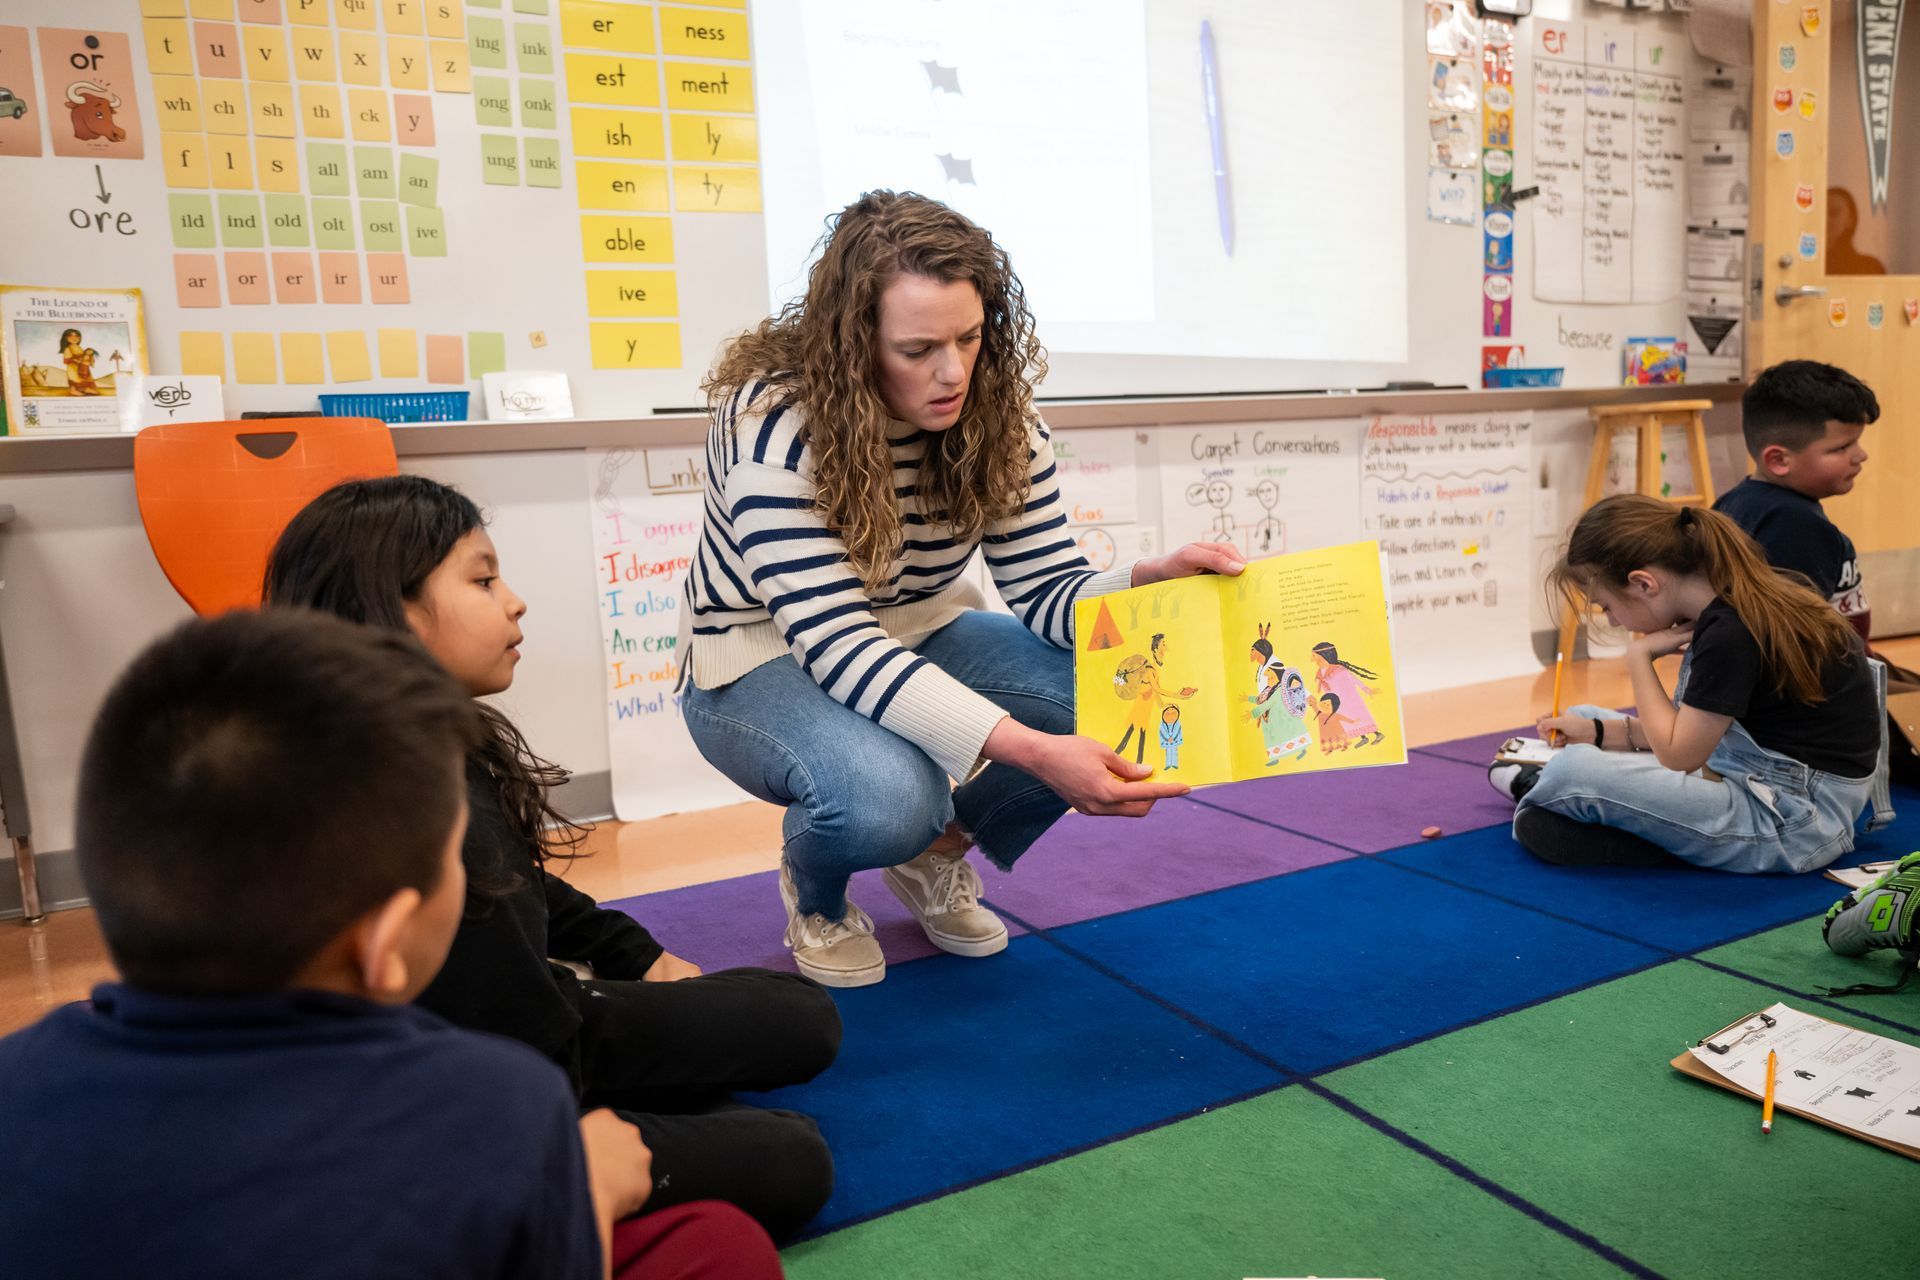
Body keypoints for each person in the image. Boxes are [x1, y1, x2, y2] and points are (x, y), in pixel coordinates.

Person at [0, 610, 782, 1279]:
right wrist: (584, 1195)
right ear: (385, 945)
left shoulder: (18, 1084)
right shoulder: (496, 1108)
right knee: (723, 1246)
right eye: (455, 857)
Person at [678, 190, 1243, 987]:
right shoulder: (773, 429)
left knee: (1110, 691)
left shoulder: (1000, 419)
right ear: (852, 342)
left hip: (921, 626)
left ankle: (936, 852)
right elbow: (841, 647)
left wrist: (1145, 584)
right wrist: (1041, 756)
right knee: (885, 800)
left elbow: (1047, 591)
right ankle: (821, 898)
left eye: (970, 338)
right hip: (756, 656)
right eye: (917, 350)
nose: (953, 374)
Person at [265, 476, 838, 1239]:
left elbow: (519, 888)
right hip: (477, 1104)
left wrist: (633, 954)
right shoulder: (392, 804)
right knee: (795, 1158)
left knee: (802, 1015)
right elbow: (504, 1054)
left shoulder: (441, 742)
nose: (514, 600)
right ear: (396, 612)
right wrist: (590, 1148)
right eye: (482, 578)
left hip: (546, 1029)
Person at [1495, 495, 1879, 873]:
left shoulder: (1732, 632)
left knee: (1572, 772)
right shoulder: (1737, 602)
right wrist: (1597, 732)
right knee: (1583, 718)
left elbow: (1680, 755)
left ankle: (1568, 797)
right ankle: (1625, 814)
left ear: (1644, 583)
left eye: (1606, 606)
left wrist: (1639, 660)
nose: (1612, 622)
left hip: (1792, 821)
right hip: (1756, 770)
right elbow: (1704, 730)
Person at [1714, 359, 1918, 782]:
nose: (1860, 456)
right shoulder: (1794, 527)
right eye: (1841, 448)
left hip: (1848, 674)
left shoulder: (1740, 502)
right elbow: (1788, 653)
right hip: (1818, 714)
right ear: (1779, 459)